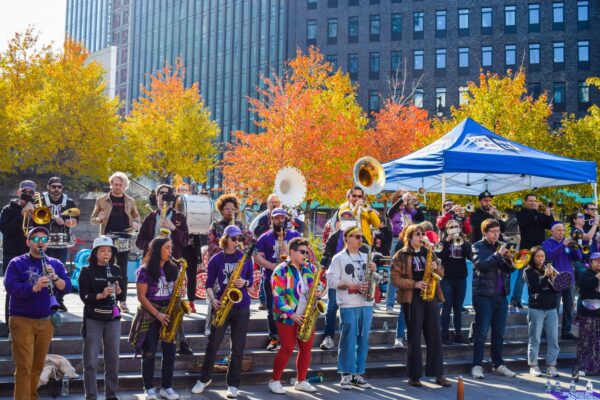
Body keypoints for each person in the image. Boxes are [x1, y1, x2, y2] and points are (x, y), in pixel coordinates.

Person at [3, 227, 70, 399]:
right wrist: (33, 287)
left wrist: (55, 278)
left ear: (48, 242)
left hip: (47, 321)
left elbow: (67, 287)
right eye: (35, 238)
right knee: (24, 367)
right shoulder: (17, 262)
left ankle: (31, 396)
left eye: (44, 239)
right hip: (22, 319)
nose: (40, 242)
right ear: (28, 242)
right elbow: (10, 287)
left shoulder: (55, 264)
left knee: (38, 366)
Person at [192, 225, 253, 399]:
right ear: (225, 239)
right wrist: (213, 300)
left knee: (238, 348)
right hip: (221, 305)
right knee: (213, 344)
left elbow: (251, 281)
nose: (237, 242)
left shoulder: (245, 258)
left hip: (241, 306)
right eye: (234, 238)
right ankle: (204, 379)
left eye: (239, 239)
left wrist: (245, 283)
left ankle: (233, 384)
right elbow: (208, 285)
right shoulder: (216, 259)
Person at [390, 224, 451, 388]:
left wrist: (436, 268)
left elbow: (442, 274)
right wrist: (415, 284)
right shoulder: (400, 255)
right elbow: (395, 279)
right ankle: (414, 375)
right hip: (412, 297)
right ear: (409, 237)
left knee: (435, 337)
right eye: (417, 234)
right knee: (414, 337)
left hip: (430, 296)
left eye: (422, 233)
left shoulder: (429, 252)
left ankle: (438, 374)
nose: (421, 236)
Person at [268, 237, 323, 394]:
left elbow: (319, 283)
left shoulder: (310, 268)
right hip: (287, 316)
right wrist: (291, 314)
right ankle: (275, 380)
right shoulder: (281, 270)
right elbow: (277, 296)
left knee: (306, 349)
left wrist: (319, 289)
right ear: (292, 252)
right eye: (302, 252)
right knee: (287, 348)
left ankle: (301, 381)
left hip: (306, 314)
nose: (305, 255)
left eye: (307, 252)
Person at [129, 236, 182, 400]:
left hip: (169, 312)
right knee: (149, 351)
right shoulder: (144, 270)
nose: (170, 251)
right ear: (158, 249)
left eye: (171, 248)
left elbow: (175, 291)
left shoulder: (173, 269)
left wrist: (181, 292)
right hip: (150, 313)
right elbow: (141, 297)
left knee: (170, 352)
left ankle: (167, 387)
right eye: (167, 247)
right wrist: (157, 314)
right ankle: (149, 388)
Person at [327, 226, 379, 390]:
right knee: (348, 338)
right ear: (347, 238)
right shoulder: (338, 258)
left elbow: (376, 279)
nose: (360, 240)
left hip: (366, 303)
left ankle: (358, 373)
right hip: (349, 303)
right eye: (356, 236)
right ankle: (346, 373)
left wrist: (374, 272)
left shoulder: (366, 256)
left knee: (363, 339)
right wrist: (351, 285)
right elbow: (331, 281)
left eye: (361, 237)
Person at [78, 236, 124, 400]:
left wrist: (118, 291)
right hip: (93, 318)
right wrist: (102, 294)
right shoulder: (87, 270)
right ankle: (91, 396)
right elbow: (84, 296)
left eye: (109, 250)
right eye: (103, 250)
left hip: (112, 318)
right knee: (90, 360)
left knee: (113, 359)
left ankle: (111, 394)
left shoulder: (116, 269)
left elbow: (122, 295)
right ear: (95, 252)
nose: (106, 254)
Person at [471, 218, 517, 379]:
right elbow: (481, 266)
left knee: (499, 333)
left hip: (501, 295)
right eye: (493, 232)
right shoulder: (477, 246)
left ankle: (498, 364)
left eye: (498, 231)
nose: (496, 234)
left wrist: (510, 261)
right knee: (482, 333)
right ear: (485, 232)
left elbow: (509, 270)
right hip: (483, 295)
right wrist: (498, 254)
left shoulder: (501, 246)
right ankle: (477, 365)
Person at [91, 172, 140, 313]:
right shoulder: (102, 199)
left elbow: (137, 216)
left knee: (122, 271)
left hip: (124, 236)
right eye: (115, 184)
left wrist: (136, 223)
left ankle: (122, 301)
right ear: (111, 184)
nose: (118, 187)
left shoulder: (130, 200)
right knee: (106, 268)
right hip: (107, 238)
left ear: (125, 186)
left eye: (120, 185)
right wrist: (98, 218)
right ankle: (106, 299)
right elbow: (92, 219)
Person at [255, 208, 301, 351]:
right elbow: (257, 256)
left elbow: (304, 253)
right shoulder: (264, 237)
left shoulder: (294, 235)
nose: (280, 220)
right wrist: (272, 266)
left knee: (293, 308)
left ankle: (291, 339)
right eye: (277, 218)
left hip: (292, 279)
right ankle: (274, 338)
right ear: (271, 219)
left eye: (282, 218)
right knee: (272, 309)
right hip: (272, 278)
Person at [319, 209, 365, 350]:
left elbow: (366, 256)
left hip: (356, 281)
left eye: (349, 218)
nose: (346, 220)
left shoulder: (361, 238)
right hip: (338, 279)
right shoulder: (334, 237)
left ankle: (354, 341)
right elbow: (326, 257)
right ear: (339, 221)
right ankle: (329, 337)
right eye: (343, 218)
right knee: (332, 307)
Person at [0, 180, 37, 332]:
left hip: (31, 255)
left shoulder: (38, 208)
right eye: (25, 191)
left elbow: (43, 231)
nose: (27, 194)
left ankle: (29, 325)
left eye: (31, 192)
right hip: (12, 255)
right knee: (12, 291)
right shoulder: (8, 209)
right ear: (18, 192)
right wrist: (21, 215)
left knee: (34, 289)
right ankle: (11, 327)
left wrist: (34, 214)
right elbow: (6, 231)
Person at [41, 177, 79, 312]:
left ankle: (59, 300)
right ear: (48, 187)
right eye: (54, 186)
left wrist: (68, 221)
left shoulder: (69, 202)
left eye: (59, 187)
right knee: (42, 270)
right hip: (43, 240)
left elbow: (75, 220)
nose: (56, 189)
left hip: (61, 242)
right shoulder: (40, 199)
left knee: (59, 271)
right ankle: (43, 299)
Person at [523, 246, 560, 378]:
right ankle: (533, 366)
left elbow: (556, 289)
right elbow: (535, 288)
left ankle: (551, 365)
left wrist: (554, 279)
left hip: (551, 309)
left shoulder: (548, 269)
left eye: (543, 256)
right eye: (538, 256)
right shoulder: (528, 271)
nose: (541, 259)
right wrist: (545, 277)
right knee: (535, 339)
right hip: (536, 308)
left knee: (553, 339)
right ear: (533, 258)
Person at [512, 194, 554, 310]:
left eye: (535, 201)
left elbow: (551, 226)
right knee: (521, 277)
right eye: (530, 201)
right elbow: (523, 223)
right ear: (525, 202)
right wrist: (535, 211)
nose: (533, 203)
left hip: (539, 251)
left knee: (541, 275)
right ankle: (516, 300)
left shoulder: (540, 215)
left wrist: (548, 213)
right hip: (525, 251)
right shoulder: (521, 213)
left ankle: (537, 298)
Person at [542, 222, 582, 340]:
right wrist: (563, 245)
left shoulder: (567, 243)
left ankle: (566, 331)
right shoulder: (546, 243)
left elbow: (579, 258)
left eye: (563, 230)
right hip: (555, 278)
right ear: (552, 231)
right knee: (553, 307)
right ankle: (550, 331)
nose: (562, 232)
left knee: (569, 306)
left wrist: (574, 248)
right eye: (559, 230)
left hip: (569, 279)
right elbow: (548, 255)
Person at [438, 220, 472, 345]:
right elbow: (439, 255)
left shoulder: (465, 242)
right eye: (451, 227)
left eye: (456, 227)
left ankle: (458, 334)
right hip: (446, 278)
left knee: (458, 308)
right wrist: (447, 241)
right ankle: (444, 334)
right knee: (446, 306)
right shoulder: (442, 242)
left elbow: (470, 256)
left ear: (460, 228)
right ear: (447, 229)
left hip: (460, 278)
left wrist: (464, 244)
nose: (454, 229)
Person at [249, 193, 281, 310]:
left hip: (280, 249)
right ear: (268, 204)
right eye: (272, 202)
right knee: (265, 275)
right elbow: (257, 231)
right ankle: (263, 301)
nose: (274, 204)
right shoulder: (263, 217)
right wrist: (270, 229)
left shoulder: (284, 216)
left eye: (276, 202)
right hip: (267, 250)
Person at [175, 183, 202, 314]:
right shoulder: (174, 210)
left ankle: (191, 302)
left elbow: (199, 230)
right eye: (181, 191)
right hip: (177, 247)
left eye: (186, 191)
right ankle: (176, 301)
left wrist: (199, 256)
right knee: (175, 275)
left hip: (191, 247)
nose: (184, 193)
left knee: (192, 276)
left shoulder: (194, 208)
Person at [575, 252, 600, 375]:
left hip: (599, 312)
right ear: (591, 262)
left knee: (597, 341)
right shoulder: (585, 273)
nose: (599, 263)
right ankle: (583, 367)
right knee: (586, 340)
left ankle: (596, 366)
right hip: (587, 312)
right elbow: (584, 287)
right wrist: (597, 277)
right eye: (597, 260)